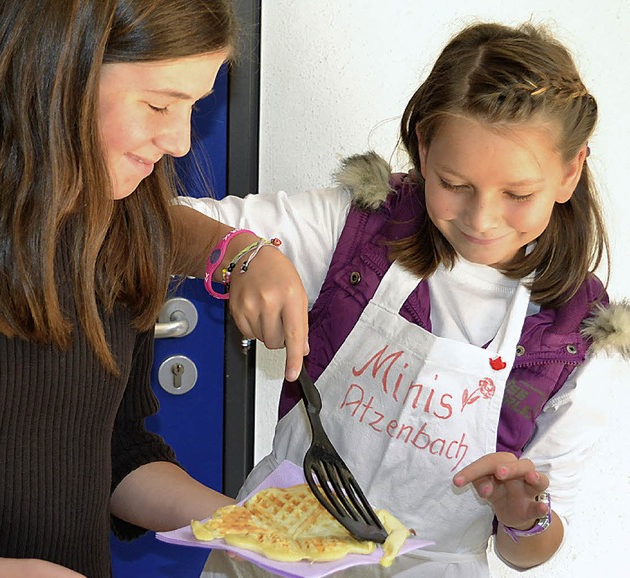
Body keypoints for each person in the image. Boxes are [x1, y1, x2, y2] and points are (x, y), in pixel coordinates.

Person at [183, 21, 629, 577]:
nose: (481, 218)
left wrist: (522, 517)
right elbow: (158, 223)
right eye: (455, 183)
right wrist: (241, 251)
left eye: (517, 194)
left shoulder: (578, 334)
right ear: (423, 148)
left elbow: (529, 550)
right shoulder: (359, 226)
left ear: (569, 172)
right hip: (273, 556)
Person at [0, 1, 308, 577]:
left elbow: (116, 452)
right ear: (59, 70)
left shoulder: (120, 237)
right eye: (159, 104)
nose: (182, 142)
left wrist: (248, 527)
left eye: (193, 107)